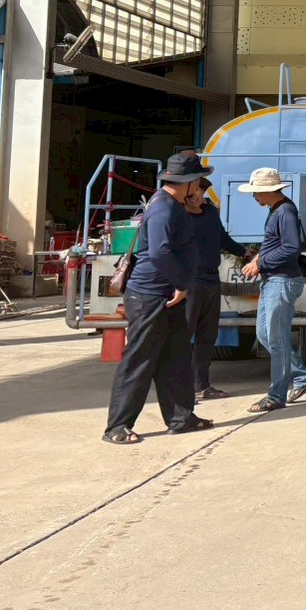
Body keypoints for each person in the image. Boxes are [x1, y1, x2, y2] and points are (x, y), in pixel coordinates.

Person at [103, 153, 213, 444]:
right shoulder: (164, 208)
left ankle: (181, 417)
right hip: (151, 296)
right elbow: (160, 252)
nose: (200, 187)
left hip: (165, 296)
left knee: (175, 358)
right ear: (189, 182)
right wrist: (181, 284)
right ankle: (117, 426)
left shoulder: (173, 205)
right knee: (139, 360)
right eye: (198, 181)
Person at [239, 168, 306, 412]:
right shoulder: (277, 210)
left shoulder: (285, 212)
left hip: (282, 281)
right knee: (265, 335)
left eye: (256, 192)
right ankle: (302, 376)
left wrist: (260, 262)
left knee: (276, 338)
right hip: (273, 281)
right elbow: (276, 244)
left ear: (268, 191)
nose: (254, 197)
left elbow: (291, 248)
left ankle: (276, 395)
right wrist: (258, 258)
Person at [184, 177, 247, 400]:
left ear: (203, 192)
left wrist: (244, 253)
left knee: (208, 335)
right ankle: (178, 387)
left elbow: (222, 238)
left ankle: (201, 386)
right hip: (189, 281)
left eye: (198, 191)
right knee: (183, 335)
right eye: (189, 193)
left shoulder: (210, 212)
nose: (194, 196)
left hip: (211, 280)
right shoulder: (177, 216)